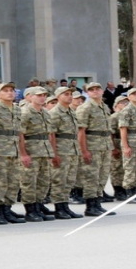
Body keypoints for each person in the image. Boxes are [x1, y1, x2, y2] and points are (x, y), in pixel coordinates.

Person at [0, 82, 27, 225]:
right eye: (5, 90)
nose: (10, 93)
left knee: (12, 182)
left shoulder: (16, 108)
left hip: (13, 150)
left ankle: (7, 209)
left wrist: (22, 151)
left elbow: (19, 132)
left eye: (12, 90)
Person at [76, 82, 117, 216]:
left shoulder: (104, 107)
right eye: (91, 90)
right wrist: (84, 150)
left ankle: (98, 202)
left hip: (104, 145)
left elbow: (107, 130)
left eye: (97, 89)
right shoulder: (85, 108)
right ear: (87, 93)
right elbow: (81, 131)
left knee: (102, 175)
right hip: (92, 145)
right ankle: (90, 206)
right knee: (91, 176)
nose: (95, 91)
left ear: (102, 91)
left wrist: (111, 146)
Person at [18, 87, 57, 222]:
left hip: (44, 150)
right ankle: (30, 210)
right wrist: (23, 153)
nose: (42, 97)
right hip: (31, 150)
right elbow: (20, 133)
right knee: (29, 181)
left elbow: (50, 134)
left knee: (43, 181)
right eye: (39, 95)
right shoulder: (25, 112)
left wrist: (52, 151)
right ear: (31, 96)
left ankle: (38, 206)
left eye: (44, 95)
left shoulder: (46, 113)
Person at [48, 86, 84, 219]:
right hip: (61, 149)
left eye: (70, 94)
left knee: (69, 180)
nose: (69, 96)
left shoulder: (71, 111)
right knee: (59, 180)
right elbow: (52, 134)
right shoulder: (55, 113)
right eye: (66, 94)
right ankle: (59, 207)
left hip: (72, 149)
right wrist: (54, 153)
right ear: (58, 97)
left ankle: (65, 206)